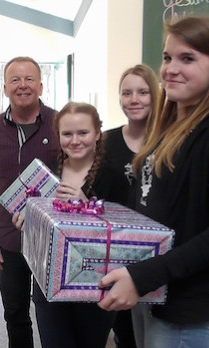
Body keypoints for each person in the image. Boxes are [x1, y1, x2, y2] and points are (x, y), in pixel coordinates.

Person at [97, 16, 209, 348]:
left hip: (187, 307)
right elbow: (147, 207)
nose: (171, 68)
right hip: (152, 293)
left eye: (187, 58)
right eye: (167, 57)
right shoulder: (169, 126)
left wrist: (145, 275)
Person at [18, 101, 128, 348]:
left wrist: (86, 204)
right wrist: (28, 218)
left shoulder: (114, 177)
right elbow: (41, 227)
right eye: (67, 134)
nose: (75, 140)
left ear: (98, 134)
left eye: (83, 133)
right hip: (48, 279)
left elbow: (124, 237)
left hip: (95, 283)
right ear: (58, 136)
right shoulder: (46, 174)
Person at [0, 56, 60, 348]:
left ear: (40, 85)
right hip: (8, 241)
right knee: (15, 314)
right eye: (15, 79)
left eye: (28, 79)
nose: (22, 85)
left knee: (53, 313)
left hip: (51, 239)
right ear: (5, 88)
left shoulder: (60, 124)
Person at [102, 64, 160, 348]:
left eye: (142, 92)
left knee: (156, 331)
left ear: (156, 95)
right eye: (126, 93)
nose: (134, 99)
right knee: (125, 333)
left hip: (158, 254)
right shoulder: (106, 141)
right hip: (117, 252)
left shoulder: (170, 141)